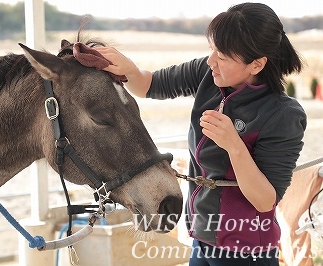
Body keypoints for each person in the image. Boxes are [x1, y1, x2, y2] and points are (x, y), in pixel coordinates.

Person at [96, 2, 307, 265]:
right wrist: (128, 69)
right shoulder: (206, 74)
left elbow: (265, 200)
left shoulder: (282, 114)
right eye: (212, 50)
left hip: (247, 250)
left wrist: (234, 146)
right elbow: (149, 84)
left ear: (257, 64)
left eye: (223, 57)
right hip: (201, 239)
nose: (211, 61)